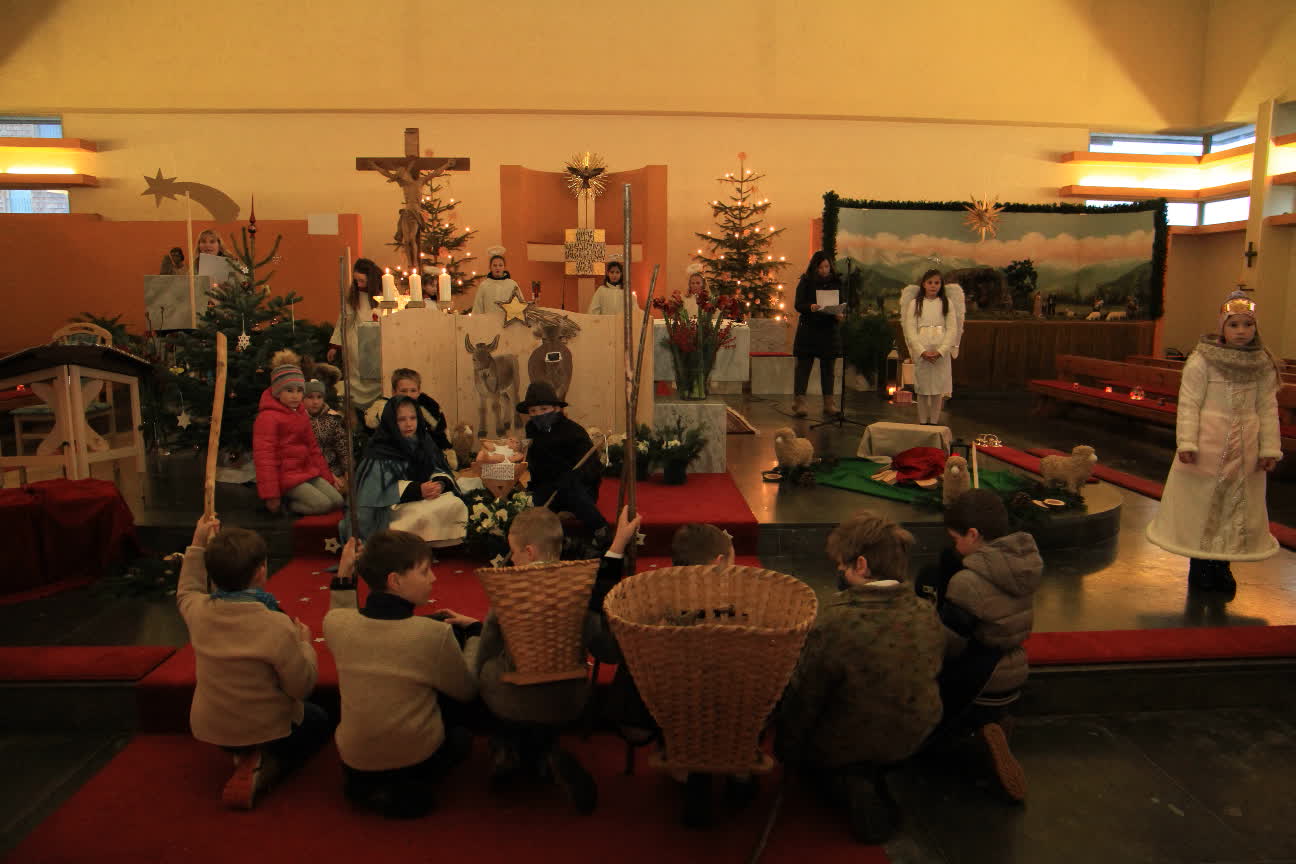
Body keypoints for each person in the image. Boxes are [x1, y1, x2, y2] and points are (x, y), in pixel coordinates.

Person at [777, 511, 944, 843]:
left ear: (861, 565)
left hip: (849, 741)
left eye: (842, 564)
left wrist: (786, 748)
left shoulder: (836, 622)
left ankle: (850, 781)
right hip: (916, 734)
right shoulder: (926, 612)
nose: (839, 570)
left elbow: (806, 698)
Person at [476, 505, 641, 815]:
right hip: (569, 698)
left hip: (512, 698)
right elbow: (607, 652)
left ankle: (510, 748)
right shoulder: (579, 591)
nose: (512, 560)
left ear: (528, 551)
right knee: (546, 686)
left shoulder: (507, 591)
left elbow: (486, 649)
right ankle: (545, 753)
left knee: (488, 666)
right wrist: (618, 542)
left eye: (513, 552)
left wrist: (474, 679)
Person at [176, 514, 331, 809]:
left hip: (214, 728)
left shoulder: (199, 611)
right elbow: (301, 687)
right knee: (319, 720)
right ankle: (267, 764)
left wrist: (197, 542)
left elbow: (187, 589)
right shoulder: (275, 624)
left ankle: (243, 754)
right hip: (266, 729)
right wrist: (304, 644)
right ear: (261, 571)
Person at [325, 531, 481, 819]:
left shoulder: (335, 624)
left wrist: (345, 571)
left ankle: (374, 789)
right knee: (461, 733)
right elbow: (466, 690)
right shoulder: (434, 635)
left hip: (356, 764)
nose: (433, 578)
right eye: (424, 571)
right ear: (395, 581)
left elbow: (341, 611)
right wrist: (474, 634)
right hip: (417, 762)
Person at [1146, 290, 1283, 596]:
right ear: (1222, 327)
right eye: (1234, 325)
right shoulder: (1202, 359)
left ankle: (1223, 565)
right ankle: (1200, 564)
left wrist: (1269, 448)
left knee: (1235, 507)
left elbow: (1267, 407)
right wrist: (1187, 442)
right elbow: (1189, 403)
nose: (1241, 331)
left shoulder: (1261, 363)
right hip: (1209, 443)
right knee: (1203, 503)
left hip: (1246, 446)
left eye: (1247, 324)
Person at [934, 489, 1043, 803]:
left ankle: (980, 733)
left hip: (982, 678)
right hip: (1015, 667)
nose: (954, 547)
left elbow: (950, 643)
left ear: (973, 534)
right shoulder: (1023, 564)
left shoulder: (967, 581)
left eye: (955, 539)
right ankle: (997, 721)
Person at [346, 396, 467, 544]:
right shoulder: (380, 448)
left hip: (425, 496)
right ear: (391, 421)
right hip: (392, 506)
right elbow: (376, 489)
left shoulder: (424, 440)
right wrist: (417, 489)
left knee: (455, 504)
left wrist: (439, 483)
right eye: (401, 419)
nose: (409, 424)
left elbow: (436, 467)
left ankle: (441, 546)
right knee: (423, 513)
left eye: (413, 418)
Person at [252, 350, 344, 516]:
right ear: (278, 391)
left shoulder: (301, 412)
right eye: (289, 390)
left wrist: (328, 477)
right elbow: (264, 459)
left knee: (337, 501)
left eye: (299, 391)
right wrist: (271, 495)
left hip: (306, 472)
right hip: (286, 478)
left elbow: (313, 449)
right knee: (322, 505)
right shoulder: (268, 417)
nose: (295, 396)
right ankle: (287, 506)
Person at [518, 380, 608, 536]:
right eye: (533, 411)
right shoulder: (532, 429)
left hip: (577, 488)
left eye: (543, 409)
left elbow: (592, 467)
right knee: (526, 506)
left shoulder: (574, 431)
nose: (538, 414)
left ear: (556, 408)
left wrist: (575, 476)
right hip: (547, 488)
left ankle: (602, 532)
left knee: (571, 490)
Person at [792, 251, 845, 418]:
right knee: (803, 367)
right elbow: (798, 304)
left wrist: (840, 313)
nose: (824, 270)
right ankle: (800, 402)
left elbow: (842, 302)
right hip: (809, 329)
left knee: (828, 369)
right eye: (821, 267)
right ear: (814, 267)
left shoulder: (836, 282)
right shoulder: (806, 281)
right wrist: (811, 307)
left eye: (827, 267)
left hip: (829, 330)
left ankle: (829, 403)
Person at [902, 269, 958, 425]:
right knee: (922, 388)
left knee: (937, 389)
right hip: (922, 350)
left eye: (937, 283)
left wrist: (941, 351)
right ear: (924, 284)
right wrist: (921, 351)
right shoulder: (915, 304)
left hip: (941, 350)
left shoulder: (947, 303)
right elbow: (910, 329)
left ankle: (934, 422)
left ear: (941, 285)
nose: (933, 286)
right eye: (930, 282)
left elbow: (952, 329)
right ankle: (922, 422)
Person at [364, 367, 454, 459]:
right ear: (393, 392)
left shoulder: (431, 409)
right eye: (403, 391)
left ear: (419, 391)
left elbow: (442, 438)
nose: (408, 395)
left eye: (413, 390)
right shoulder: (385, 411)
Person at [327, 258, 383, 408]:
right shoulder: (353, 296)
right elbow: (343, 320)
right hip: (356, 343)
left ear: (371, 279)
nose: (358, 284)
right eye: (356, 280)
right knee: (356, 379)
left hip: (376, 342)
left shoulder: (383, 295)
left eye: (362, 281)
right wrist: (335, 346)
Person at [304, 373, 348, 482]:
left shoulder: (332, 418)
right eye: (310, 397)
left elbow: (342, 446)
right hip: (311, 471)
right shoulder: (299, 420)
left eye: (319, 397)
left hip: (335, 469)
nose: (315, 402)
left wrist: (347, 470)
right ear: (302, 399)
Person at [471, 248, 522, 315]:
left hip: (507, 320)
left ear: (504, 267)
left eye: (500, 265)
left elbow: (520, 305)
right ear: (490, 267)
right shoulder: (484, 285)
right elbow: (478, 307)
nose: (497, 268)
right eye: (495, 265)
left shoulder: (512, 284)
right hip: (489, 320)